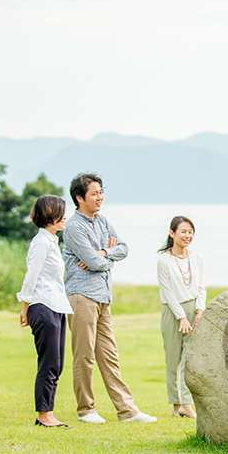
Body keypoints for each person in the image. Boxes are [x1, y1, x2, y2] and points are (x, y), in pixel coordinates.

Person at [63, 173, 156, 423]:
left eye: (101, 192)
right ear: (79, 197)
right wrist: (102, 258)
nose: (100, 197)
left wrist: (105, 251)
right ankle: (86, 410)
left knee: (109, 355)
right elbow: (92, 262)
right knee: (84, 355)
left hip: (103, 296)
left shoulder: (102, 221)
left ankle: (127, 410)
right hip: (82, 295)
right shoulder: (73, 226)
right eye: (94, 193)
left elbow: (122, 249)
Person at [17, 195, 72, 428]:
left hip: (56, 306)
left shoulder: (51, 242)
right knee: (49, 362)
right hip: (43, 305)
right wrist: (25, 306)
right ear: (49, 215)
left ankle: (48, 412)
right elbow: (31, 275)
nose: (65, 217)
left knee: (56, 363)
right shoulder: (40, 243)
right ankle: (44, 414)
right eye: (60, 212)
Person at [157, 216, 206, 418]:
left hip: (193, 309)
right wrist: (181, 317)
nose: (187, 236)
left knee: (189, 358)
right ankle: (176, 404)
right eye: (183, 231)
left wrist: (199, 310)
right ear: (172, 233)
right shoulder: (164, 260)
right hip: (172, 311)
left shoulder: (197, 258)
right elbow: (168, 292)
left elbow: (201, 286)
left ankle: (187, 403)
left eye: (190, 232)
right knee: (173, 359)